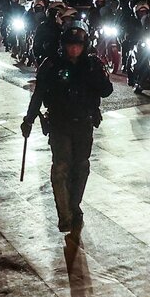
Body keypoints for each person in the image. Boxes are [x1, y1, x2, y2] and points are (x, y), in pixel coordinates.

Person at [21, 26, 113, 234]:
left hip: (83, 122)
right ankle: (64, 214)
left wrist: (98, 75)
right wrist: (29, 119)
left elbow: (106, 91)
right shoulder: (51, 65)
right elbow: (39, 93)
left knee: (81, 166)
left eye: (78, 46)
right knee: (61, 167)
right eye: (70, 45)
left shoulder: (91, 64)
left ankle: (74, 205)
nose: (74, 50)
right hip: (59, 123)